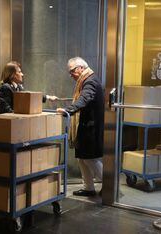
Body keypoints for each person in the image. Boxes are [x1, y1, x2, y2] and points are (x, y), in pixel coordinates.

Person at [57, 57, 104, 196]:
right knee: (82, 158)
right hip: (87, 126)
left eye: (72, 71)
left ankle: (108, 185)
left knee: (90, 159)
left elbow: (84, 99)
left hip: (91, 126)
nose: (70, 74)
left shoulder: (90, 81)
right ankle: (89, 187)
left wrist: (68, 110)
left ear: (81, 68)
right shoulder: (86, 79)